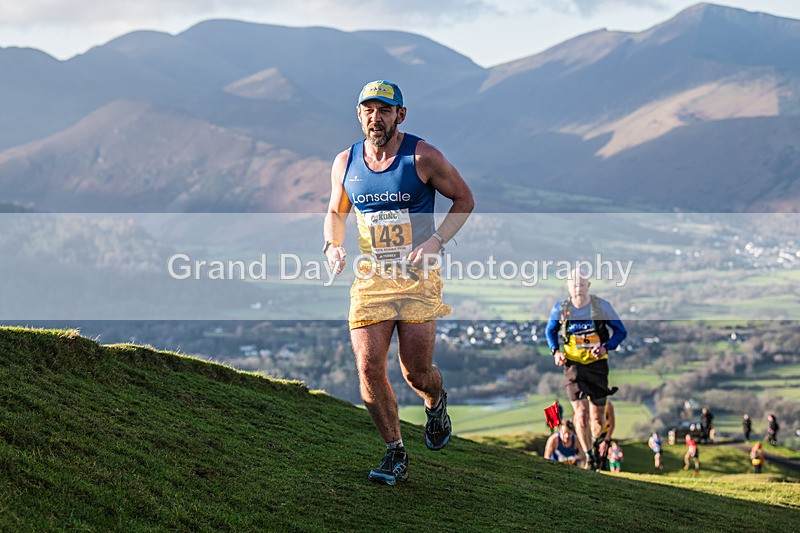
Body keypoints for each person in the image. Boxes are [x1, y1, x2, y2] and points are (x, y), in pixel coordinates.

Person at [323, 80, 474, 485]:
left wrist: (436, 242)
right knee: (369, 367)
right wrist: (332, 246)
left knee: (416, 371)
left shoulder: (423, 157)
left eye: (384, 110)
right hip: (371, 279)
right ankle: (395, 452)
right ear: (359, 115)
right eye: (368, 110)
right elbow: (336, 212)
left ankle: (435, 400)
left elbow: (464, 199)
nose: (376, 117)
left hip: (416, 278)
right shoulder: (345, 162)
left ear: (400, 115)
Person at [545, 269, 627, 470]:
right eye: (574, 285)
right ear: (568, 287)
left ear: (588, 286)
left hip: (597, 367)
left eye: (581, 284)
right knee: (580, 415)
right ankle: (590, 458)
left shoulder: (601, 307)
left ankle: (597, 443)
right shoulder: (561, 309)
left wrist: (605, 347)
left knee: (597, 419)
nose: (577, 288)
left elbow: (620, 331)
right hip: (573, 367)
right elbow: (550, 331)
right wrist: (555, 351)